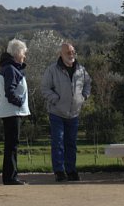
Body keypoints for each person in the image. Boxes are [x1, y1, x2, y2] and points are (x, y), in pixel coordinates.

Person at [41, 41, 92, 182]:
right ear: (61, 54)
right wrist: (55, 99)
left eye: (72, 52)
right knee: (58, 142)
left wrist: (84, 96)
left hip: (74, 113)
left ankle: (71, 170)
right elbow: (45, 88)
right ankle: (59, 171)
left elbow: (88, 83)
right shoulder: (52, 70)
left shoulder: (81, 70)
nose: (71, 55)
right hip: (57, 113)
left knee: (71, 143)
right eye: (68, 52)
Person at [0, 38, 30, 186]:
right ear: (17, 53)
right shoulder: (10, 69)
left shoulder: (9, 68)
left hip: (11, 112)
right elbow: (9, 92)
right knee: (12, 145)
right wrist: (20, 101)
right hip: (12, 112)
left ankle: (10, 176)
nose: (24, 56)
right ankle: (10, 177)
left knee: (11, 145)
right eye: (23, 53)